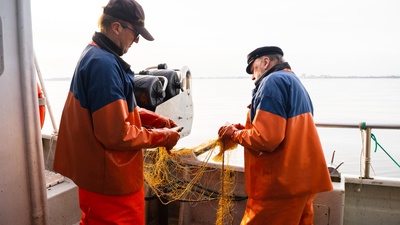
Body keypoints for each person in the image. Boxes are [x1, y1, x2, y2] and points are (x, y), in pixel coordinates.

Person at [53, 0, 182, 224]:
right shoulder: (104, 65)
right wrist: (164, 136)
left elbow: (114, 110)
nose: (137, 40)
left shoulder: (94, 54)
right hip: (111, 184)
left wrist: (154, 119)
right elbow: (116, 134)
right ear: (117, 27)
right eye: (135, 33)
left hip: (97, 178)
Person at [218, 46, 333, 225]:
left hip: (280, 186)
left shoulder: (272, 82)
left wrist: (234, 134)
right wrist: (243, 128)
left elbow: (267, 139)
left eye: (252, 68)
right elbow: (286, 128)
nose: (252, 76)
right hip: (303, 181)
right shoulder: (293, 81)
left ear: (265, 62)